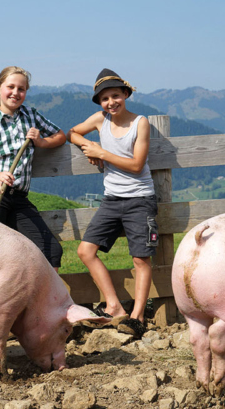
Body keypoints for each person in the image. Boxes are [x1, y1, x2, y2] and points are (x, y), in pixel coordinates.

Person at [67, 68, 158, 334]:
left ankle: (137, 317)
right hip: (111, 199)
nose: (111, 103)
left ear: (126, 94)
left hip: (140, 199)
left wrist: (102, 153)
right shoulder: (100, 119)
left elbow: (137, 165)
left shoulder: (140, 122)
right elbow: (72, 132)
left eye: (116, 96)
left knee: (141, 260)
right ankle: (114, 306)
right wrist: (88, 148)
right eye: (105, 99)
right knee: (85, 251)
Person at [0, 66, 66, 270]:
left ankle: (42, 301)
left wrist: (41, 142)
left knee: (51, 251)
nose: (15, 93)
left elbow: (60, 136)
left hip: (19, 198)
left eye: (21, 89)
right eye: (10, 87)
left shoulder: (30, 115)